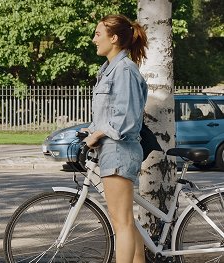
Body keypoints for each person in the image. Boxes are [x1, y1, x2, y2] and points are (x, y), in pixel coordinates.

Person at [83, 14, 148, 263]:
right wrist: (90, 131)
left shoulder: (124, 70)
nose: (93, 39)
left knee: (121, 223)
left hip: (120, 150)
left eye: (98, 34)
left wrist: (98, 133)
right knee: (125, 221)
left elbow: (127, 119)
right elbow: (108, 114)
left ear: (114, 38)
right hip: (112, 149)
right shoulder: (109, 70)